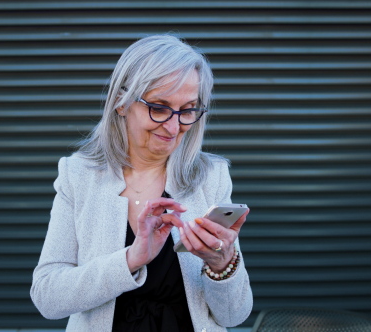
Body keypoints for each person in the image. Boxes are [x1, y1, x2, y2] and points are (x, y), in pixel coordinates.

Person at [30, 34, 253, 332]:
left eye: (188, 110)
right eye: (159, 107)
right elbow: (47, 297)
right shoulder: (79, 175)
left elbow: (234, 315)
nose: (175, 127)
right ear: (122, 103)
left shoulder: (211, 176)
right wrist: (131, 259)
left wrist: (223, 264)